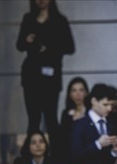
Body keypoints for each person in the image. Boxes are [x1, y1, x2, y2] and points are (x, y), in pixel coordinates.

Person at [16, 0, 75, 153]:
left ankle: (56, 159)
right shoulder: (28, 18)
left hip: (50, 76)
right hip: (31, 75)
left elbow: (70, 47)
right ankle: (31, 160)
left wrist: (49, 48)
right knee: (33, 120)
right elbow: (20, 45)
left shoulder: (59, 20)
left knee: (51, 119)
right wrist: (27, 40)